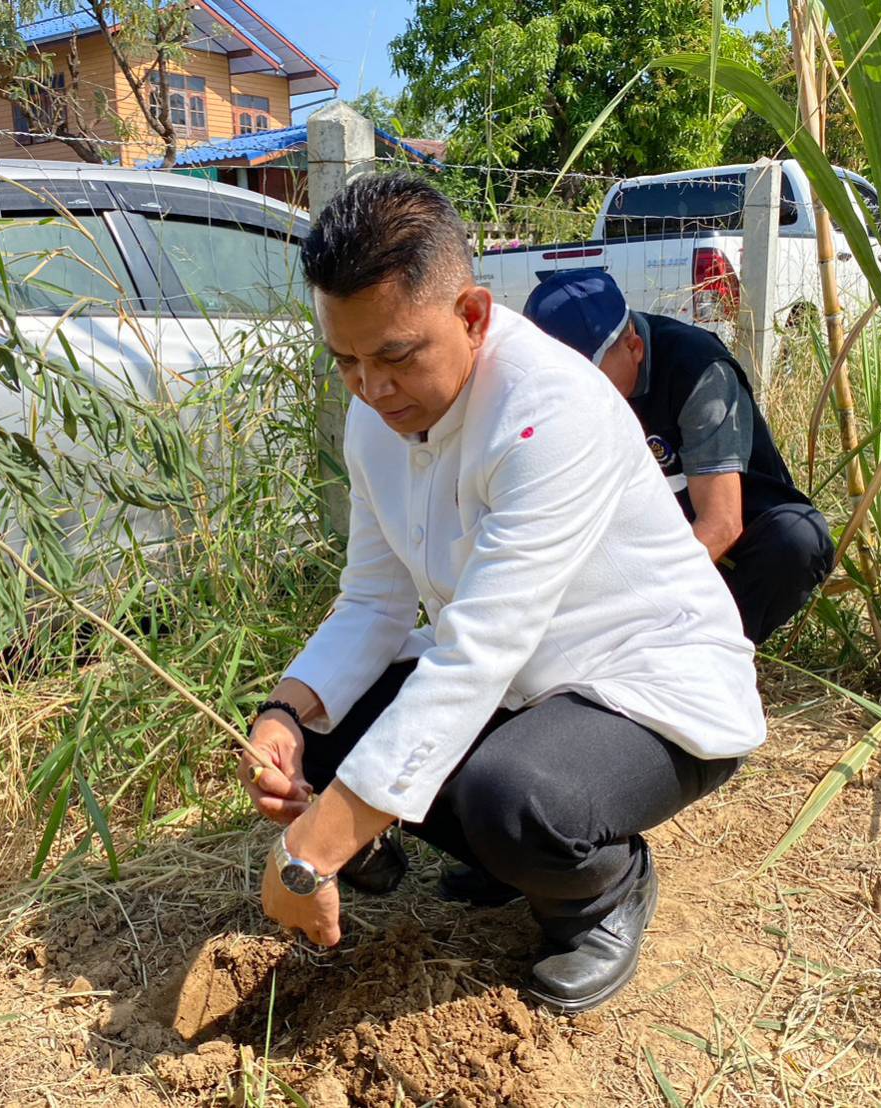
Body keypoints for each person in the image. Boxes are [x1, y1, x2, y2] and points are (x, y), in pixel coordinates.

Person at [238, 174, 765, 1015]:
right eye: (347, 360)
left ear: (474, 316)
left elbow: (474, 653)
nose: (370, 390)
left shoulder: (550, 412)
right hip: (522, 684)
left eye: (396, 357)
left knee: (508, 795)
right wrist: (282, 712)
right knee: (325, 724)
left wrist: (311, 850)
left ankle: (602, 890)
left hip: (643, 684)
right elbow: (373, 603)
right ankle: (478, 848)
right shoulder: (377, 415)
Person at [524, 271, 835, 645]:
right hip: (641, 537)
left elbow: (721, 524)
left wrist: (635, 604)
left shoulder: (699, 372)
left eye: (591, 377)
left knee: (798, 539)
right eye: (563, 379)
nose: (576, 394)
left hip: (727, 541)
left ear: (633, 347)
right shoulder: (547, 390)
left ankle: (709, 650)